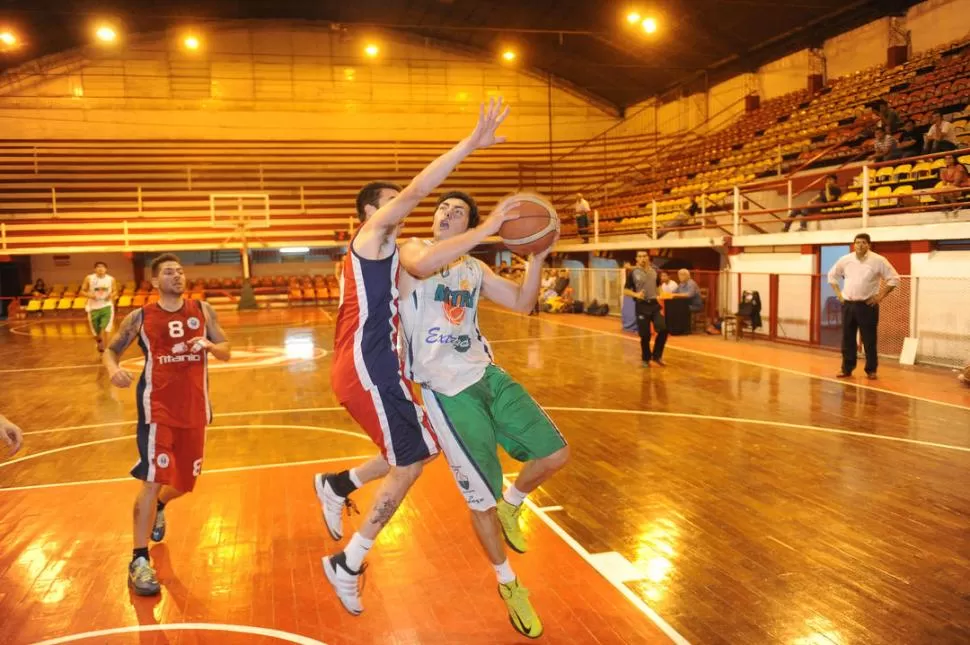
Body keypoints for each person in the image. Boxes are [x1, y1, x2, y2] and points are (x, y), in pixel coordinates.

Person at [318, 191, 565, 638]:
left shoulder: (474, 267)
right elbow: (420, 266)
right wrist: (487, 228)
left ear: (469, 221)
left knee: (555, 456)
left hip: (486, 374)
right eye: (442, 209)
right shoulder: (411, 249)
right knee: (478, 502)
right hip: (446, 392)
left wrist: (534, 258)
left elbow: (522, 303)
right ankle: (509, 585)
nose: (446, 214)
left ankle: (514, 504)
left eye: (458, 211)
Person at [316, 99, 512, 617]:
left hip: (379, 367)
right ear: (370, 213)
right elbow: (419, 191)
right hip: (368, 365)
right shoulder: (373, 237)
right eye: (390, 202)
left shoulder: (391, 254)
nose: (403, 208)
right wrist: (472, 144)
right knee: (408, 464)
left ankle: (340, 485)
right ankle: (349, 562)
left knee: (421, 452)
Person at [103, 253, 231, 596]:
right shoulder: (140, 316)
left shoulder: (203, 311)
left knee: (186, 484)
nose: (178, 276)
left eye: (181, 270)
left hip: (195, 410)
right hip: (156, 410)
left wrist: (211, 346)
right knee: (152, 480)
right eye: (170, 272)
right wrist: (112, 369)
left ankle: (161, 505)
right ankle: (139, 559)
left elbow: (227, 349)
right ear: (155, 281)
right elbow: (110, 350)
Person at [827, 233, 899, 380]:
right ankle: (846, 369)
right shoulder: (845, 260)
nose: (860, 245)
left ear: (869, 245)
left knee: (869, 340)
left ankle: (871, 370)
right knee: (847, 339)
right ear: (854, 244)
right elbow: (831, 276)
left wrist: (880, 296)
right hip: (848, 305)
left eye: (863, 243)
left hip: (867, 306)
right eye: (857, 242)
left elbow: (894, 279)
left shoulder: (878, 260)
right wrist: (839, 295)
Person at [624, 251, 667, 367]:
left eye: (645, 256)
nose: (642, 258)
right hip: (641, 305)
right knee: (645, 335)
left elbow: (658, 286)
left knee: (663, 329)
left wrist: (662, 294)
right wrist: (636, 295)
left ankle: (657, 356)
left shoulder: (654, 272)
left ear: (648, 258)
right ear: (636, 259)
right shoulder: (632, 273)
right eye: (640, 256)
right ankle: (646, 359)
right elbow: (625, 290)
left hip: (654, 304)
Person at [81, 261, 118, 354]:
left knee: (104, 329)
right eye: (98, 267)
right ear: (95, 269)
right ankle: (99, 341)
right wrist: (90, 295)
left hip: (106, 307)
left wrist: (111, 296)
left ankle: (106, 350)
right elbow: (82, 291)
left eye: (102, 267)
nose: (100, 269)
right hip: (93, 308)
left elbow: (115, 291)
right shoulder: (89, 278)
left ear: (106, 269)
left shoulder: (111, 279)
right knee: (96, 333)